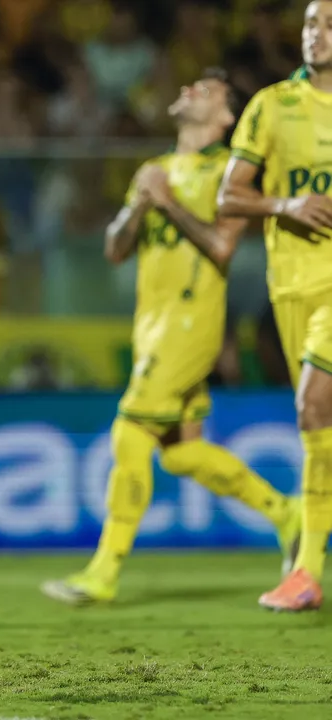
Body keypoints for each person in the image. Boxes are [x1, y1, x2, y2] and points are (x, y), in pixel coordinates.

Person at [41, 68, 301, 606]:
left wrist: (167, 204)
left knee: (130, 433)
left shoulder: (227, 171)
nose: (188, 90)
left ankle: (104, 572)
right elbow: (115, 249)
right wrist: (141, 203)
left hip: (189, 323)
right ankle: (286, 513)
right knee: (183, 453)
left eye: (206, 90)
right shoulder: (153, 170)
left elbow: (223, 248)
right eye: (189, 86)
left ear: (227, 115)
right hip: (151, 324)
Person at [218, 0, 332, 612]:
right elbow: (229, 195)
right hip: (291, 286)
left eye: (331, 24)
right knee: (317, 423)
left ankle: (308, 571)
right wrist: (284, 205)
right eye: (312, 23)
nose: (318, 34)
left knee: (313, 403)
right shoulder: (272, 105)